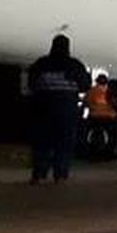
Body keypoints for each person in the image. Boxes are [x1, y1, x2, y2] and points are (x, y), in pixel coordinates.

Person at [26, 35, 89, 183]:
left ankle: (39, 174)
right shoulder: (74, 65)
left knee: (42, 142)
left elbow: (31, 83)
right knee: (64, 143)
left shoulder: (41, 63)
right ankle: (60, 174)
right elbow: (85, 85)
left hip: (42, 108)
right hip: (66, 110)